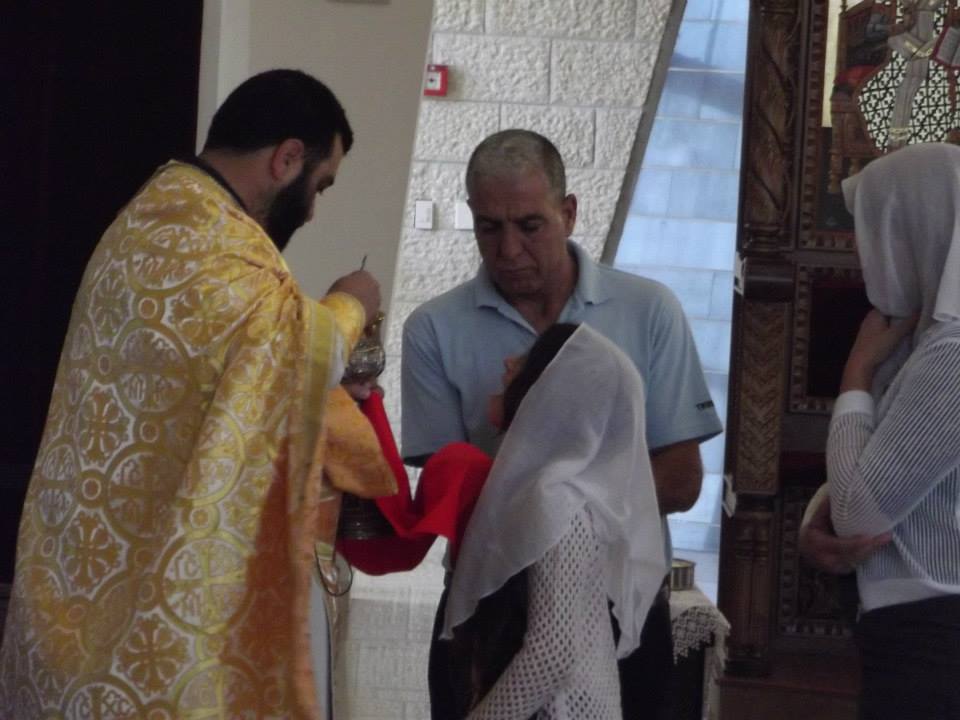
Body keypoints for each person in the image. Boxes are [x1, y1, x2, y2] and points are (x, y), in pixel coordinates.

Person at [0, 69, 386, 720]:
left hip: (84, 576)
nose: (313, 209)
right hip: (144, 605)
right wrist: (352, 303)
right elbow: (294, 347)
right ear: (287, 157)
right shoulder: (208, 237)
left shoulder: (159, 215)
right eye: (319, 185)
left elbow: (232, 372)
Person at [401, 129, 723, 718]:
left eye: (530, 225)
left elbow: (681, 482)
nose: (509, 250)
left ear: (569, 213)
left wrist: (554, 499)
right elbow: (451, 495)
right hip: (490, 605)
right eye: (489, 228)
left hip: (620, 601)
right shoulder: (435, 328)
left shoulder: (647, 310)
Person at [439, 322, 665, 719]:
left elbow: (552, 651)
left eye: (530, 359)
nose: (510, 362)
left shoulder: (561, 500)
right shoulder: (550, 490)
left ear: (556, 391)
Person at [825, 143, 960, 719]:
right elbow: (889, 470)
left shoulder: (953, 353)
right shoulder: (926, 339)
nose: (862, 251)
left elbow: (858, 513)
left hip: (933, 632)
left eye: (871, 229)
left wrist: (856, 372)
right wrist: (814, 521)